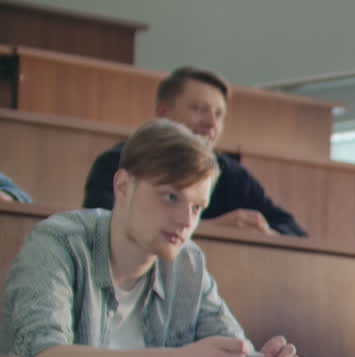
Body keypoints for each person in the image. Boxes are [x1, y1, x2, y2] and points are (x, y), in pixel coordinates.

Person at [1, 119, 301, 357]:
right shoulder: (58, 243)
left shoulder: (189, 263)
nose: (186, 221)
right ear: (122, 186)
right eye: (170, 197)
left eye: (197, 208)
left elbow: (228, 348)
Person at [83, 67, 306, 237]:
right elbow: (105, 227)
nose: (211, 124)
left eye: (219, 115)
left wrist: (264, 233)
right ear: (163, 113)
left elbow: (294, 233)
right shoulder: (119, 162)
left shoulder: (231, 173)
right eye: (199, 109)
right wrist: (208, 231)